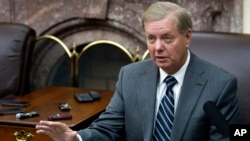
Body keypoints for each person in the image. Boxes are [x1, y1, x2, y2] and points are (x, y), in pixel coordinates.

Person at [36, 1, 239, 141]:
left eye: (167, 38)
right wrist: (77, 137)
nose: (157, 47)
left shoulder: (219, 85)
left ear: (187, 37)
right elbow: (109, 128)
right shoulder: (130, 76)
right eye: (151, 38)